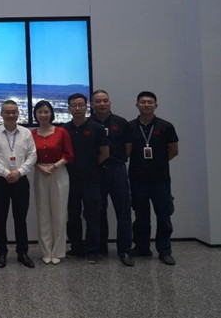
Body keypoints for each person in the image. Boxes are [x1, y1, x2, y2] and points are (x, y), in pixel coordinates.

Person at [0, 100, 37, 269]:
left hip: (21, 181)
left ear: (18, 113)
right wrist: (6, 173)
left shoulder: (26, 133)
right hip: (0, 181)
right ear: (1, 114)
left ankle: (23, 253)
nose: (11, 115)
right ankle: (1, 253)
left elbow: (32, 156)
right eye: (7, 112)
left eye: (14, 112)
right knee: (0, 218)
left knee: (20, 218)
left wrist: (19, 172)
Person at [127, 91, 179, 265]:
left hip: (160, 178)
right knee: (141, 215)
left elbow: (174, 151)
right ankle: (142, 247)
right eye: (143, 102)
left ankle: (164, 250)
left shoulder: (166, 126)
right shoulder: (130, 127)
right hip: (137, 178)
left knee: (163, 215)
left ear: (156, 105)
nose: (146, 105)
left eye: (150, 102)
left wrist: (158, 163)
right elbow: (127, 151)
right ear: (137, 105)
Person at [90, 89, 134, 267]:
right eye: (98, 101)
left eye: (105, 100)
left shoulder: (120, 122)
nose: (102, 104)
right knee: (98, 212)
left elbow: (128, 146)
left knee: (123, 211)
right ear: (92, 104)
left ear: (110, 103)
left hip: (117, 170)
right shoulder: (88, 123)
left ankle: (125, 250)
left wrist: (118, 161)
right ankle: (100, 248)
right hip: (96, 172)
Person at [64, 93, 109, 264]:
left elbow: (105, 153)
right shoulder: (65, 129)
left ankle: (93, 250)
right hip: (70, 180)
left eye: (80, 105)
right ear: (69, 108)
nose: (77, 108)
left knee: (92, 216)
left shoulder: (96, 128)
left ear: (86, 106)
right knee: (72, 216)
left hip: (92, 179)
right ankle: (76, 248)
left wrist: (90, 166)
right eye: (74, 105)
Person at [31, 100, 73, 265]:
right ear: (35, 114)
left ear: (51, 114)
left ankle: (58, 251)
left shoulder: (61, 132)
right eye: (40, 112)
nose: (43, 115)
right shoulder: (31, 134)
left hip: (59, 172)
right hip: (40, 172)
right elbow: (27, 156)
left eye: (46, 112)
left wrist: (55, 166)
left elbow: (69, 154)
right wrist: (39, 167)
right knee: (43, 213)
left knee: (60, 212)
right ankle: (45, 251)